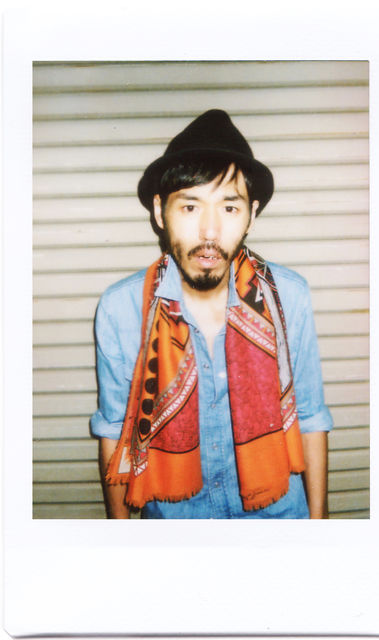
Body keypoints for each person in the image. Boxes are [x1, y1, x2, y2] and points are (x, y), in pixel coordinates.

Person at [90, 109, 333, 519]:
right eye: (190, 207)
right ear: (159, 212)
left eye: (229, 208)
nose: (209, 232)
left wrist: (320, 525)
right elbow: (114, 431)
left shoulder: (289, 296)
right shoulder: (121, 309)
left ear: (251, 214)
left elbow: (311, 418)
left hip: (276, 523)